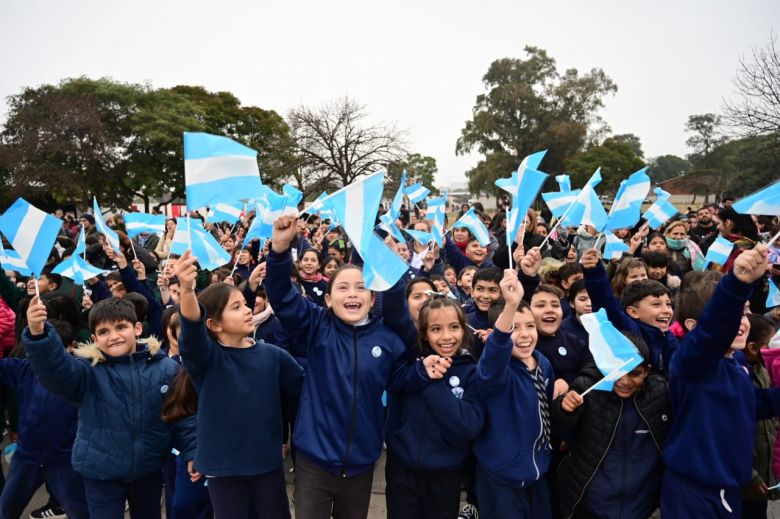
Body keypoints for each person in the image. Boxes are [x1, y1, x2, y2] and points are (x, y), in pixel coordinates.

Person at [265, 215, 423, 519]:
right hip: (314, 461)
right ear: (327, 299)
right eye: (343, 288)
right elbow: (283, 296)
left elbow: (403, 376)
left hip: (363, 463)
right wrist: (280, 250)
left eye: (361, 287)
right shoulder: (317, 325)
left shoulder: (387, 338)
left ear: (371, 297)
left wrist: (425, 369)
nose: (352, 293)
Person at [23, 297, 196, 518]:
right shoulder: (87, 370)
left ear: (137, 328)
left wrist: (192, 451)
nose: (113, 336)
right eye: (104, 332)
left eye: (121, 327)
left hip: (149, 468)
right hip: (100, 472)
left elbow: (182, 414)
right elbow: (55, 371)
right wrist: (39, 335)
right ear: (94, 339)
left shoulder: (166, 368)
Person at [174, 249, 304, 518]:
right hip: (224, 469)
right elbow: (192, 331)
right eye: (236, 307)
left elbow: (303, 395)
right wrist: (187, 291)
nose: (247, 310)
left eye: (245, 304)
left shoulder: (273, 356)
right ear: (214, 324)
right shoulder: (206, 360)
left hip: (267, 465)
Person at [661, 245, 780, 518]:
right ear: (693, 326)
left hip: (730, 490)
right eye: (732, 314)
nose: (740, 321)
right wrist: (736, 285)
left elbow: (749, 402)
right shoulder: (691, 363)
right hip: (695, 495)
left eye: (745, 311)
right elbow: (713, 332)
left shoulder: (736, 362)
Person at [383, 293, 484, 519]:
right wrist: (421, 372)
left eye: (454, 327)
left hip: (446, 474)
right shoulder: (412, 363)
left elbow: (469, 425)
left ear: (464, 329)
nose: (446, 336)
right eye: (436, 329)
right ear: (425, 334)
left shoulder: (472, 373)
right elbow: (395, 312)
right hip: (402, 470)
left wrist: (432, 382)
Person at [552, 334, 671, 519]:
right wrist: (565, 407)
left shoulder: (660, 392)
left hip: (643, 508)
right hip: (590, 506)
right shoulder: (587, 387)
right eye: (617, 372)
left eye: (634, 373)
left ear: (647, 371)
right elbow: (559, 428)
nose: (624, 381)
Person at [474, 269, 554, 519]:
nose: (524, 335)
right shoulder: (498, 370)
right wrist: (509, 306)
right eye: (514, 328)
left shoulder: (543, 363)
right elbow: (495, 356)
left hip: (538, 472)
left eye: (530, 326)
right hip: (502, 478)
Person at [0, 319, 89, 519]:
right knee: (6, 509)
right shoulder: (25, 368)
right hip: (26, 456)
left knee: (80, 512)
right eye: (43, 350)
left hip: (65, 458)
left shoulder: (80, 373)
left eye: (55, 350)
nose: (49, 358)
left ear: (71, 346)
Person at [582, 249, 676, 376]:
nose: (666, 310)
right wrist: (594, 271)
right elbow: (605, 301)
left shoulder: (668, 337)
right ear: (633, 312)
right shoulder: (629, 329)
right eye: (656, 305)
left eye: (668, 304)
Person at [742, 314, 780, 518]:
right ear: (753, 348)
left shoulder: (761, 370)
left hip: (762, 474)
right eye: (768, 344)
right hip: (747, 474)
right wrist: (750, 474)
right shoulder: (742, 376)